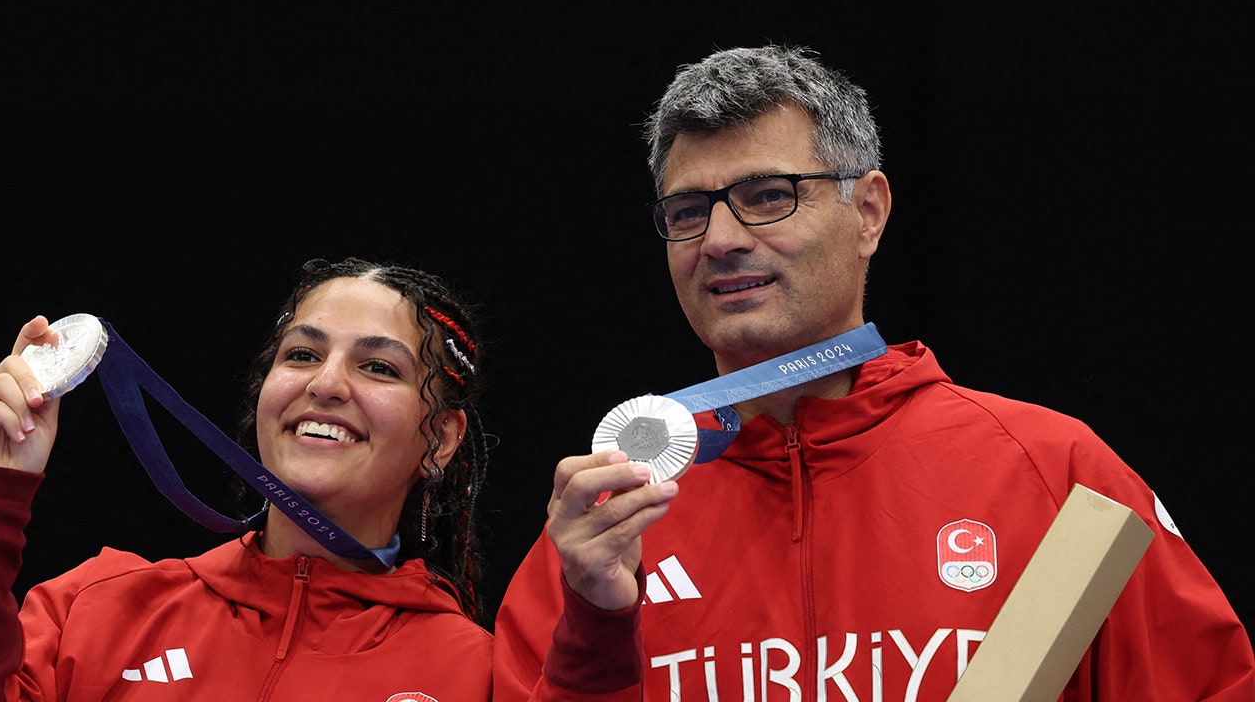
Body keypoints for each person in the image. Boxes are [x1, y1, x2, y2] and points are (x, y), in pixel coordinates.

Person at [492, 44, 1255, 700]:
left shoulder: (1055, 479)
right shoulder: (597, 531)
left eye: (767, 196)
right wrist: (595, 624)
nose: (720, 238)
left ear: (869, 212)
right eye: (688, 211)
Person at [0, 257, 495, 701]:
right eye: (302, 354)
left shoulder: (476, 675)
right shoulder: (96, 608)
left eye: (379, 367)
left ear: (441, 440)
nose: (326, 383)